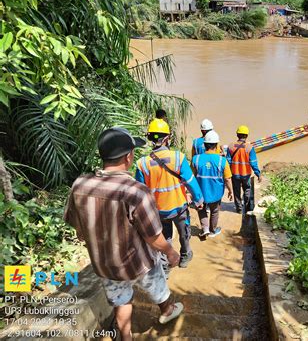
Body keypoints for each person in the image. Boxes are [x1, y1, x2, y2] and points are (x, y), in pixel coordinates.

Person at [64, 127, 183, 341]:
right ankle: (166, 311)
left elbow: (79, 228)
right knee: (156, 285)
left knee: (121, 300)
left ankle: (125, 337)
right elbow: (152, 236)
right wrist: (171, 252)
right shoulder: (136, 192)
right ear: (128, 157)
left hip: (105, 265)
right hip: (138, 263)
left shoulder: (80, 185)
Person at [136, 119, 204, 269]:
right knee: (184, 233)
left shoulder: (142, 164)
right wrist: (199, 200)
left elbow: (140, 193)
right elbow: (190, 181)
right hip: (179, 208)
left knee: (165, 237)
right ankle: (185, 257)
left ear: (149, 138)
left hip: (158, 211)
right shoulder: (178, 158)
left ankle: (166, 265)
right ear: (167, 138)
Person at [192, 130, 233, 239]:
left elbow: (192, 176)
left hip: (200, 191)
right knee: (214, 211)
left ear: (204, 144)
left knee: (201, 209)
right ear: (216, 145)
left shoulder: (196, 159)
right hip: (216, 192)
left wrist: (189, 191)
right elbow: (228, 179)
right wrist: (230, 191)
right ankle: (212, 230)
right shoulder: (222, 161)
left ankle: (205, 229)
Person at [226, 125, 261, 214]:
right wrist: (258, 174)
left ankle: (239, 209)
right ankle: (246, 204)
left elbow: (228, 162)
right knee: (247, 189)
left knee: (236, 191)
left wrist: (226, 175)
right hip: (246, 174)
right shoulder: (250, 147)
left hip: (234, 174)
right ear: (247, 136)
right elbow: (253, 163)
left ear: (237, 134)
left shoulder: (230, 146)